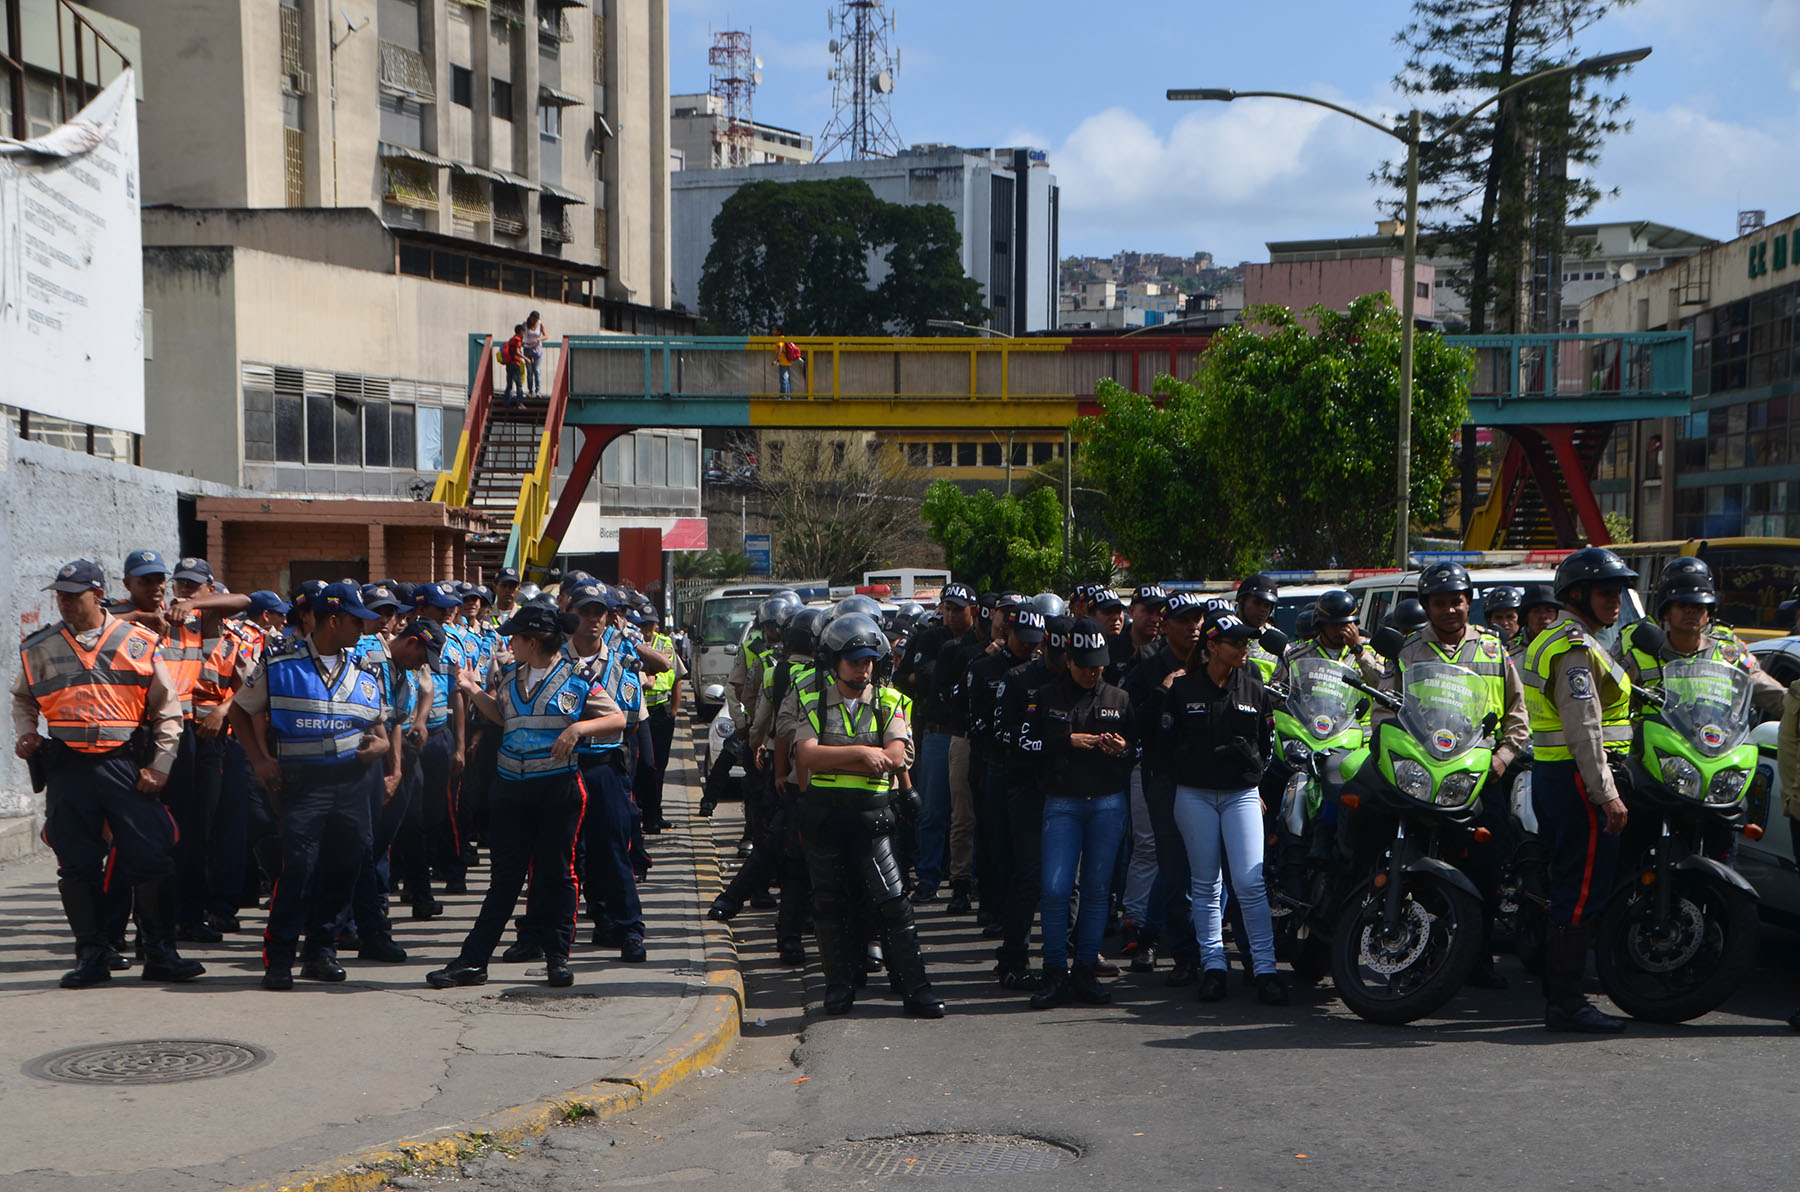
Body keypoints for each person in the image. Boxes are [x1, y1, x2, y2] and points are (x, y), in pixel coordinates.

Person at [17, 559, 202, 988]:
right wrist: (27, 733)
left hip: (125, 765)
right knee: (77, 864)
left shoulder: (137, 641)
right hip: (67, 767)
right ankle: (93, 956)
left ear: (98, 595)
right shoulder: (39, 646)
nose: (64, 602)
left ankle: (159, 952)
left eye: (73, 594)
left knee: (152, 856)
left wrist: (159, 766)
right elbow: (23, 699)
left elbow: (167, 710)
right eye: (60, 594)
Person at [428, 603, 625, 990]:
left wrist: (578, 729)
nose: (508, 642)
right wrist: (471, 690)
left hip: (557, 790)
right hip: (511, 791)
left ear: (531, 641)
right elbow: (505, 717)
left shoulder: (577, 676)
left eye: (514, 636)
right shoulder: (509, 676)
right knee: (504, 878)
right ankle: (473, 961)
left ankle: (557, 958)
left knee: (557, 874)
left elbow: (616, 717)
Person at [229, 583, 390, 989]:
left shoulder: (365, 668)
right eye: (357, 620)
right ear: (333, 620)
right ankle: (279, 958)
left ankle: (321, 951)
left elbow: (379, 726)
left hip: (352, 783)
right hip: (303, 785)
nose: (364, 628)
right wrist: (260, 760)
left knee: (345, 867)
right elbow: (240, 710)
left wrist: (382, 747)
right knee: (298, 868)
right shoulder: (280, 663)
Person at [1378, 562, 1529, 990]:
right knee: (1415, 869)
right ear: (1426, 606)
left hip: (1481, 779)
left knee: (1485, 871)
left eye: (1457, 602)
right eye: (1440, 603)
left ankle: (1478, 961)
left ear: (1469, 604)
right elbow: (1384, 713)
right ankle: (1417, 955)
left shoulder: (1493, 651)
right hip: (1423, 777)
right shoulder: (1407, 651)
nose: (1450, 610)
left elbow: (1518, 715)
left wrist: (1503, 757)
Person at [793, 613, 943, 1018]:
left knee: (894, 904)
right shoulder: (810, 695)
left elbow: (895, 756)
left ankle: (917, 990)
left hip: (872, 820)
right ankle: (839, 989)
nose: (864, 669)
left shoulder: (890, 698)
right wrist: (862, 754)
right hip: (825, 819)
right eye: (855, 661)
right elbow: (806, 754)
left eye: (869, 661)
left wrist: (838, 760)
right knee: (828, 904)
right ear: (833, 662)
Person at [1517, 547, 1637, 1033]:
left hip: (1560, 776)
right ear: (1578, 594)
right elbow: (1584, 728)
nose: (1617, 601)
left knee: (1570, 883)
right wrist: (1605, 792)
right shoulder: (1573, 647)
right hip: (1577, 778)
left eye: (1620, 592)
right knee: (1581, 889)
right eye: (1608, 592)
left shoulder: (1572, 639)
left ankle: (1560, 995)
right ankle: (1567, 1003)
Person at [1159, 608, 1287, 1006]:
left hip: (1241, 794)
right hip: (1194, 793)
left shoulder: (1255, 687)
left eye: (1247, 641)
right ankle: (1213, 965)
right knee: (1206, 884)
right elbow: (1165, 745)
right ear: (1212, 646)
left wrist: (1256, 787)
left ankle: (1265, 969)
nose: (1244, 648)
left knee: (1249, 883)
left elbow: (1266, 748)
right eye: (1236, 642)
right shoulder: (1181, 689)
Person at [1018, 617, 1138, 1008]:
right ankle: (1054, 971)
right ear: (1067, 658)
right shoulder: (1045, 696)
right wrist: (1065, 741)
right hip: (1062, 804)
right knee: (1055, 890)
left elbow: (1140, 749)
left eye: (1098, 666)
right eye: (1084, 664)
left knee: (1097, 891)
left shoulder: (1119, 699)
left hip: (1107, 803)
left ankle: (1085, 969)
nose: (1091, 672)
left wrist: (1123, 749)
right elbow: (1023, 746)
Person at [1121, 591, 1209, 985]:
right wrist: (1164, 690)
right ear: (1166, 623)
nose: (1193, 627)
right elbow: (1131, 724)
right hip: (1163, 777)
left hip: (1208, 778)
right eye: (1184, 619)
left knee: (1209, 869)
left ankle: (1204, 948)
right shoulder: (1147, 666)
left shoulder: (1212, 660)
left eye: (1198, 619)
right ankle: (1177, 951)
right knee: (1171, 866)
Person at [896, 582, 979, 903]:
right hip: (935, 731)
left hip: (967, 734)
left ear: (972, 609)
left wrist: (932, 675)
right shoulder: (929, 637)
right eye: (947, 608)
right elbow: (905, 678)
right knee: (932, 811)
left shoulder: (978, 640)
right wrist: (930, 676)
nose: (951, 615)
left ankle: (967, 877)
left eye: (958, 609)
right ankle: (928, 877)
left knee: (968, 814)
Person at [1620, 558, 1787, 718]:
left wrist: (1793, 704)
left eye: (1698, 606)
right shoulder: (1640, 657)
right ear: (1665, 612)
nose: (1691, 611)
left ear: (1709, 613)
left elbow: (1767, 690)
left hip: (1717, 744)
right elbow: (1612, 703)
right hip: (1655, 745)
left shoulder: (1728, 654)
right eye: (1682, 605)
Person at [1236, 573, 1282, 682]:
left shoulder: (1278, 642)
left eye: (1267, 605)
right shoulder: (1221, 633)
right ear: (1241, 601)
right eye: (1257, 603)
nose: (1262, 609)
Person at [1483, 586, 1523, 650]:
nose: (1505, 623)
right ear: (1489, 620)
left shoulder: (1531, 647)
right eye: (1498, 618)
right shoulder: (1481, 647)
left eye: (1510, 617)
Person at [772, 324, 802, 396]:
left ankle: (784, 397)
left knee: (783, 380)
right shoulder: (783, 338)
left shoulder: (780, 339)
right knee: (786, 380)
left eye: (774, 330)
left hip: (783, 362)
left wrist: (776, 360)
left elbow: (780, 349)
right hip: (787, 362)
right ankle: (787, 396)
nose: (773, 331)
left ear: (779, 332)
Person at [522, 311, 547, 398]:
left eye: (536, 319)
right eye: (533, 319)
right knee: (529, 371)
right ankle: (530, 391)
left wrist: (538, 339)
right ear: (531, 318)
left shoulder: (540, 324)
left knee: (537, 370)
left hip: (537, 349)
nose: (535, 321)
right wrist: (524, 341)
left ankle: (538, 391)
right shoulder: (525, 324)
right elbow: (522, 334)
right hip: (527, 348)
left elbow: (546, 336)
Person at [500, 323, 526, 406]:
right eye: (523, 332)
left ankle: (506, 402)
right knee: (519, 384)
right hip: (515, 364)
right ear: (520, 332)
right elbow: (517, 352)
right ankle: (519, 403)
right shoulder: (518, 340)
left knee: (509, 384)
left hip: (509, 364)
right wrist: (526, 358)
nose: (524, 334)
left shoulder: (512, 339)